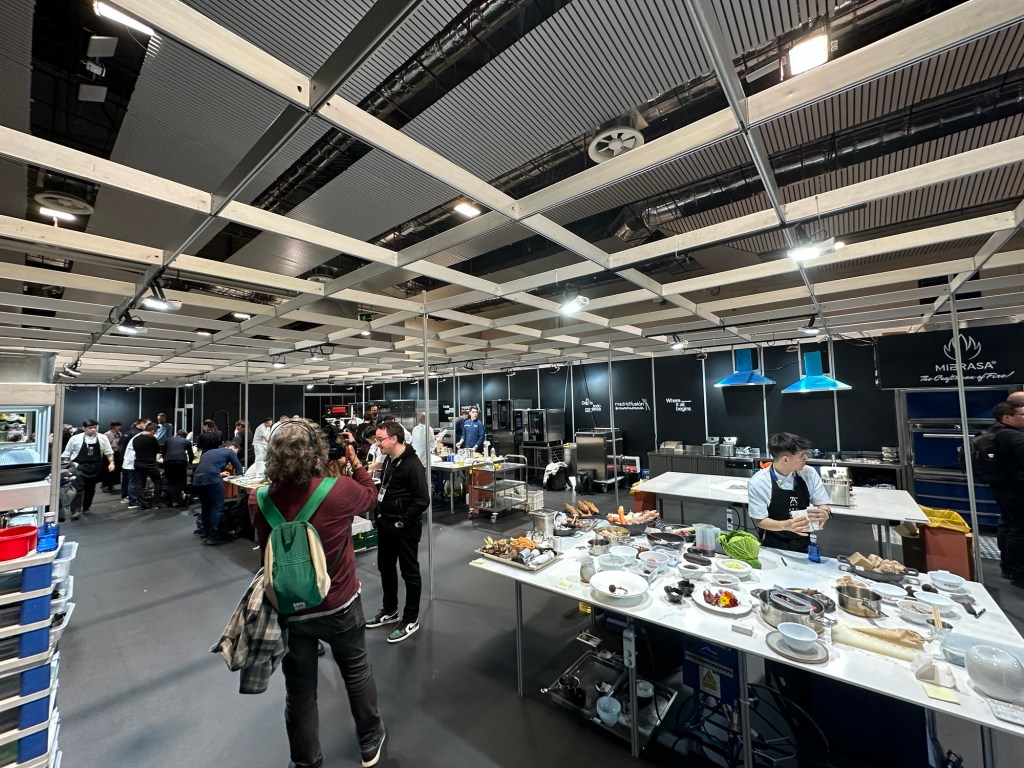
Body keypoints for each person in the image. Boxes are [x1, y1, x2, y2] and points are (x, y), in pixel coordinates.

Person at [248, 420, 384, 768]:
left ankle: (306, 760)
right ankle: (370, 741)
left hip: (289, 609)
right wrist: (354, 462)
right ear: (316, 452)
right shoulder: (338, 491)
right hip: (339, 602)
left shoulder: (259, 499)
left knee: (299, 692)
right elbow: (370, 495)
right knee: (356, 671)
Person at [366, 422, 430, 644]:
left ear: (394, 439)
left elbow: (422, 500)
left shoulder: (412, 464)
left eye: (380, 439)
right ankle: (390, 610)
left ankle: (410, 619)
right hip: (386, 526)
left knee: (409, 573)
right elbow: (385, 489)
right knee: (386, 568)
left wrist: (402, 522)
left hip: (404, 529)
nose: (377, 443)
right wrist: (379, 514)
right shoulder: (389, 460)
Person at [747, 432, 831, 553]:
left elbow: (822, 504)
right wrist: (787, 525)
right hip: (773, 545)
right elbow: (759, 521)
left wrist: (825, 513)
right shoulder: (759, 482)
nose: (806, 458)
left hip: (804, 542)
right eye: (802, 455)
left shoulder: (809, 473)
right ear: (785, 459)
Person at [987, 401, 1024, 586]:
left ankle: (1007, 567)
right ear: (1007, 417)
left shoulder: (993, 432)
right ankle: (1019, 574)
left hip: (1000, 487)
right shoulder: (1015, 437)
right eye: (1022, 415)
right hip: (1017, 488)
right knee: (1019, 530)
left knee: (1007, 526)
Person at [61, 419, 115, 519]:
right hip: (78, 466)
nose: (93, 430)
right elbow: (66, 453)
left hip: (95, 467)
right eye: (90, 428)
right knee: (78, 489)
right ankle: (75, 510)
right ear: (84, 428)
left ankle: (86, 507)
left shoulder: (102, 437)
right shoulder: (75, 438)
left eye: (94, 427)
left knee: (90, 489)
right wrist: (64, 466)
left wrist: (111, 463)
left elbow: (109, 452)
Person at [193, 440, 242, 544]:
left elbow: (206, 468)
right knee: (216, 507)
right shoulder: (230, 452)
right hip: (212, 479)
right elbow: (239, 470)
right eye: (236, 452)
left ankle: (206, 532)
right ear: (233, 448)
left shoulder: (209, 452)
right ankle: (213, 536)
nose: (236, 454)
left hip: (197, 479)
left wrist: (219, 474)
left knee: (206, 506)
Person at [129, 423, 163, 510]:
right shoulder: (152, 438)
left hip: (138, 463)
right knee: (157, 482)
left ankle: (141, 504)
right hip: (150, 464)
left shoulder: (136, 438)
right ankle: (156, 503)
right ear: (152, 431)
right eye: (155, 432)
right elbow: (158, 449)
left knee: (139, 484)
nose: (155, 434)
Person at [163, 429, 195, 508]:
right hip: (180, 461)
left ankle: (168, 500)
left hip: (168, 461)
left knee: (170, 480)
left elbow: (164, 452)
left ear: (177, 434)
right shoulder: (186, 442)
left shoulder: (167, 440)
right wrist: (190, 462)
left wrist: (165, 459)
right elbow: (191, 454)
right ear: (185, 436)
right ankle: (176, 501)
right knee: (179, 481)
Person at [103, 421, 122, 492]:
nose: (119, 427)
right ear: (113, 426)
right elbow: (104, 445)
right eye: (117, 426)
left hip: (117, 453)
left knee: (116, 470)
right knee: (108, 470)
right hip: (109, 453)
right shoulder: (107, 434)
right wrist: (113, 446)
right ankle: (106, 485)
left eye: (119, 426)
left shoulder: (119, 433)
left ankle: (113, 484)